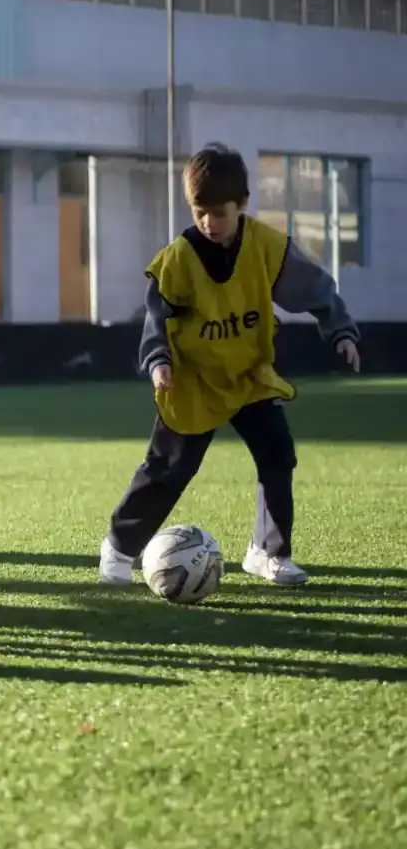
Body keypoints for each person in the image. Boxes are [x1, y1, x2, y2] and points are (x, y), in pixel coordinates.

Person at [99, 144, 362, 588]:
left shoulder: (267, 248)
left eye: (218, 212)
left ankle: (268, 552)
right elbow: (156, 316)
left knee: (277, 452)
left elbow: (317, 288)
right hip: (193, 381)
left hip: (248, 375)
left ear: (242, 203)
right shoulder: (178, 259)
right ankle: (120, 549)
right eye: (199, 212)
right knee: (168, 468)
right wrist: (158, 359)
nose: (208, 222)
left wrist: (341, 330)